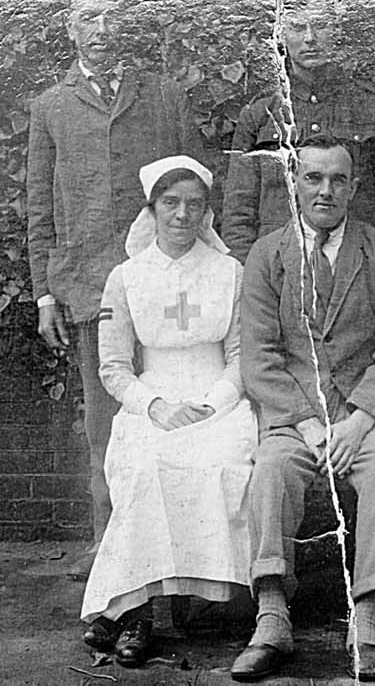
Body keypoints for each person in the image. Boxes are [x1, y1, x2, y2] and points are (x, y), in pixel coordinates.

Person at [27, 0, 202, 578]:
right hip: (89, 286)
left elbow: (199, 190)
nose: (101, 30)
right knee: (106, 426)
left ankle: (182, 556)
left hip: (167, 282)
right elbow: (39, 205)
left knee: (178, 416)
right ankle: (114, 557)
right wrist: (45, 290)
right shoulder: (50, 106)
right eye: (89, 20)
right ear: (71, 31)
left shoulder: (163, 96)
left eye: (111, 18)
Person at [231, 134, 375, 682]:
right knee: (270, 471)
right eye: (313, 178)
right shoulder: (268, 254)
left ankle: (367, 618)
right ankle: (271, 617)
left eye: (338, 179)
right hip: (297, 418)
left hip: (366, 416)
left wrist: (360, 419)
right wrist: (309, 422)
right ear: (294, 183)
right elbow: (261, 357)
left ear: (354, 187)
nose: (325, 190)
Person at [79, 156, 255, 667]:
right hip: (152, 400)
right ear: (151, 210)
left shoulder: (230, 271)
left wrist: (212, 403)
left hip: (218, 399)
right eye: (170, 203)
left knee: (215, 463)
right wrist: (155, 406)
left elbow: (242, 355)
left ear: (206, 213)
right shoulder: (126, 277)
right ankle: (138, 615)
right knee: (144, 467)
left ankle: (135, 614)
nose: (182, 214)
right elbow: (113, 368)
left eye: (194, 205)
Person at [222, 0, 375, 261]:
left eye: (321, 26)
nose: (310, 38)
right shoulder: (259, 115)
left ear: (337, 31)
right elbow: (238, 213)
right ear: (281, 35)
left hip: (357, 264)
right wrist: (254, 270)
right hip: (279, 265)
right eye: (298, 27)